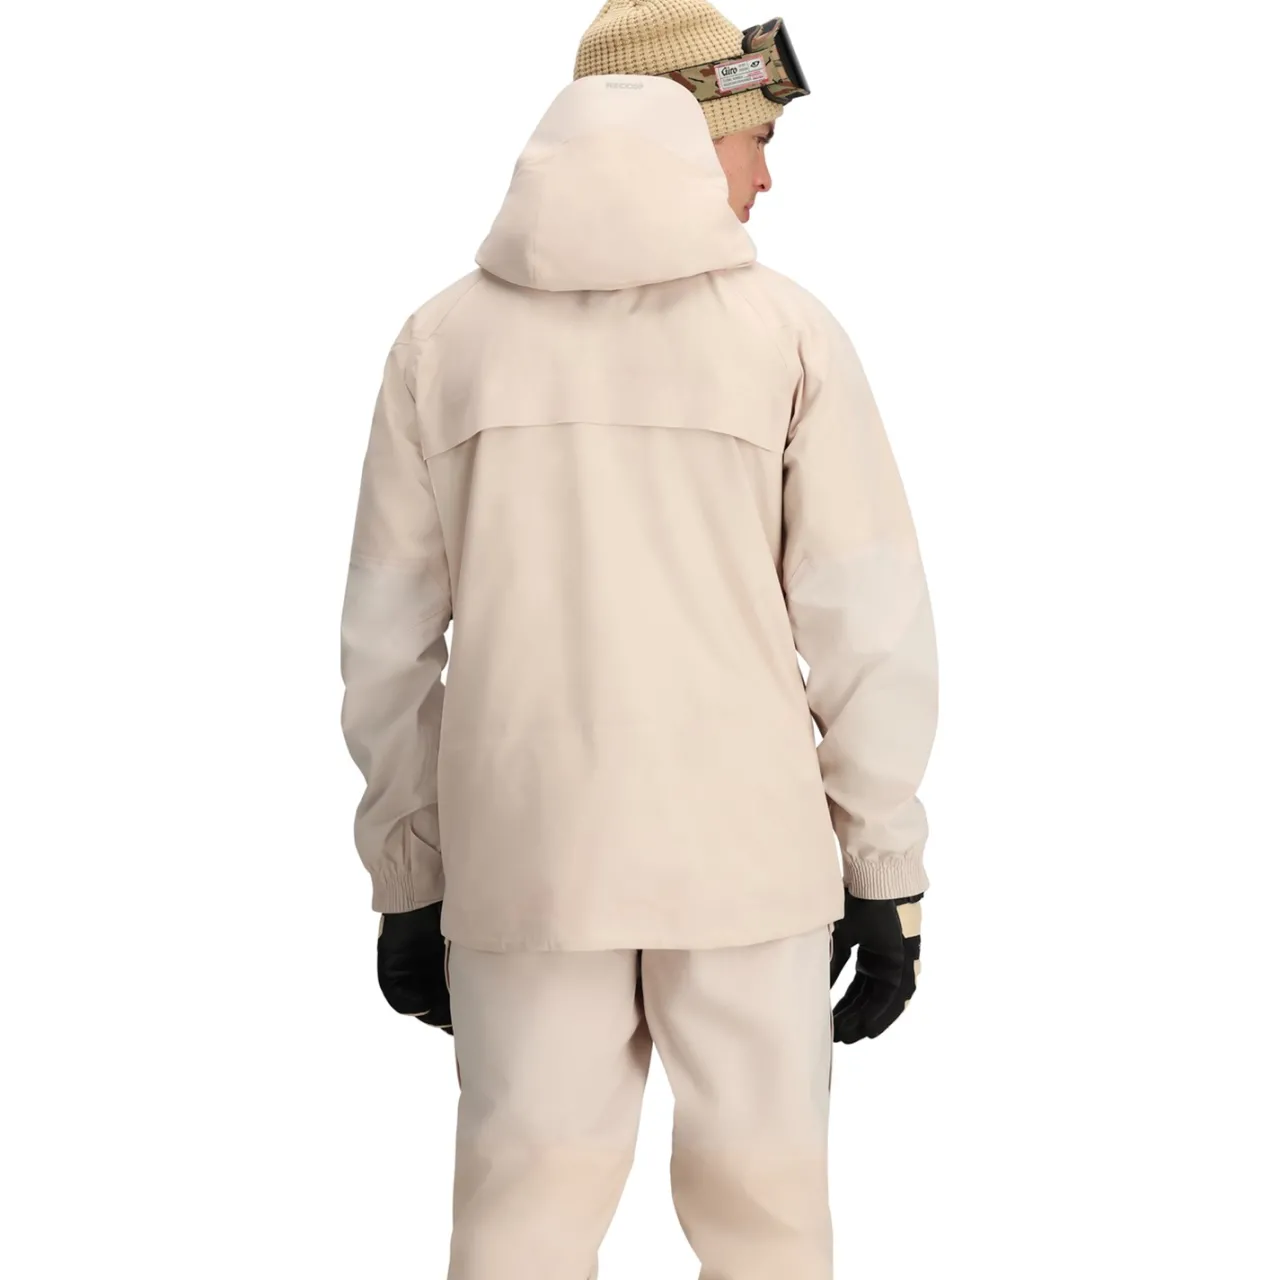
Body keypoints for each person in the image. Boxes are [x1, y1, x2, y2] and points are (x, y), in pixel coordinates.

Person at [339, 2, 938, 1276]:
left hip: (527, 860)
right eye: (757, 136)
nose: (765, 175)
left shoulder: (439, 342)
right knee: (768, 1226)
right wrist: (883, 869)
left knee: (518, 1227)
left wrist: (409, 874)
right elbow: (867, 623)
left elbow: (386, 650)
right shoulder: (785, 333)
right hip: (748, 865)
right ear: (692, 122)